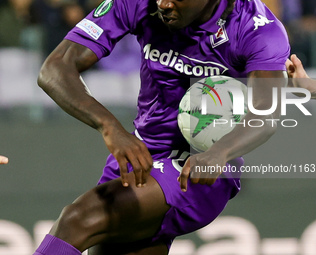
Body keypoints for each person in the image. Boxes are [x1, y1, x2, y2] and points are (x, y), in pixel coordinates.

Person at [33, 0, 290, 254]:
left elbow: (266, 113)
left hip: (200, 168)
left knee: (78, 219)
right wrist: (109, 126)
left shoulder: (258, 28)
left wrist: (219, 152)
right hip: (140, 154)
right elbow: (55, 68)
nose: (163, 4)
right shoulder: (140, 3)